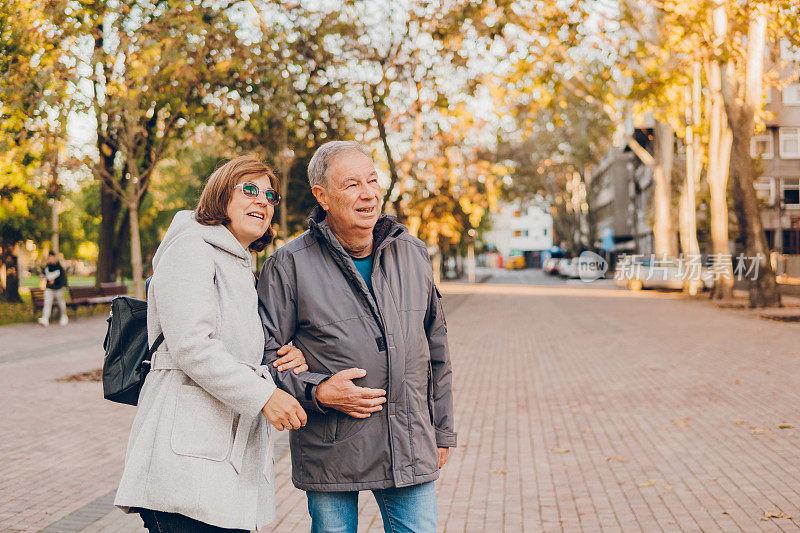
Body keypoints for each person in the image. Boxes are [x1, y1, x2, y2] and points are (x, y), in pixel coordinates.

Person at [257, 141, 457, 533]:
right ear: (323, 196)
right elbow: (262, 355)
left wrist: (442, 428)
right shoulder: (289, 264)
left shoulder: (413, 253)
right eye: (351, 185)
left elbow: (437, 351)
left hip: (409, 441)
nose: (368, 194)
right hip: (330, 444)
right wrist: (318, 390)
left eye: (372, 181)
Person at [114, 155, 309, 532]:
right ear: (221, 196)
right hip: (186, 462)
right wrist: (265, 396)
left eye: (270, 196)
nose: (262, 201)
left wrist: (287, 356)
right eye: (249, 189)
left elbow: (241, 348)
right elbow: (192, 346)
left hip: (216, 464)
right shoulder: (191, 248)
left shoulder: (238, 263)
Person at [38, 251, 68, 326]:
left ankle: (63, 316)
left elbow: (63, 279)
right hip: (49, 289)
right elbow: (43, 276)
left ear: (55, 258)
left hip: (58, 289)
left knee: (61, 303)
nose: (50, 259)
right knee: (47, 303)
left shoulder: (59, 267)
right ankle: (45, 318)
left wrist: (56, 283)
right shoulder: (47, 267)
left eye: (52, 257)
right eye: (49, 257)